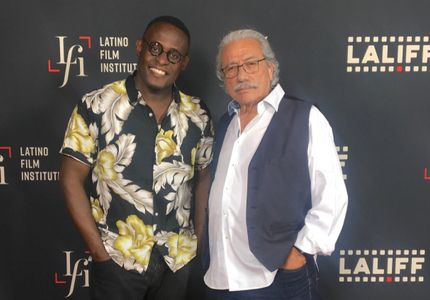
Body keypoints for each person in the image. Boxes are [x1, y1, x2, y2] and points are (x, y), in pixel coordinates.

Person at [59, 15, 213, 300]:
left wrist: (199, 243)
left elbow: (203, 178)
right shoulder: (97, 105)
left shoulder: (198, 115)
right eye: (155, 48)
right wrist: (99, 252)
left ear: (183, 63)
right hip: (118, 261)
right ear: (140, 47)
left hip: (177, 262)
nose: (162, 60)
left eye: (173, 54)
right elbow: (70, 178)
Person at [202, 29, 348, 300]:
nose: (241, 75)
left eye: (250, 63)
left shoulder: (306, 117)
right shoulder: (226, 123)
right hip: (221, 279)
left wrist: (299, 252)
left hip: (277, 279)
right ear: (224, 79)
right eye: (231, 68)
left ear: (270, 68)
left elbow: (332, 196)